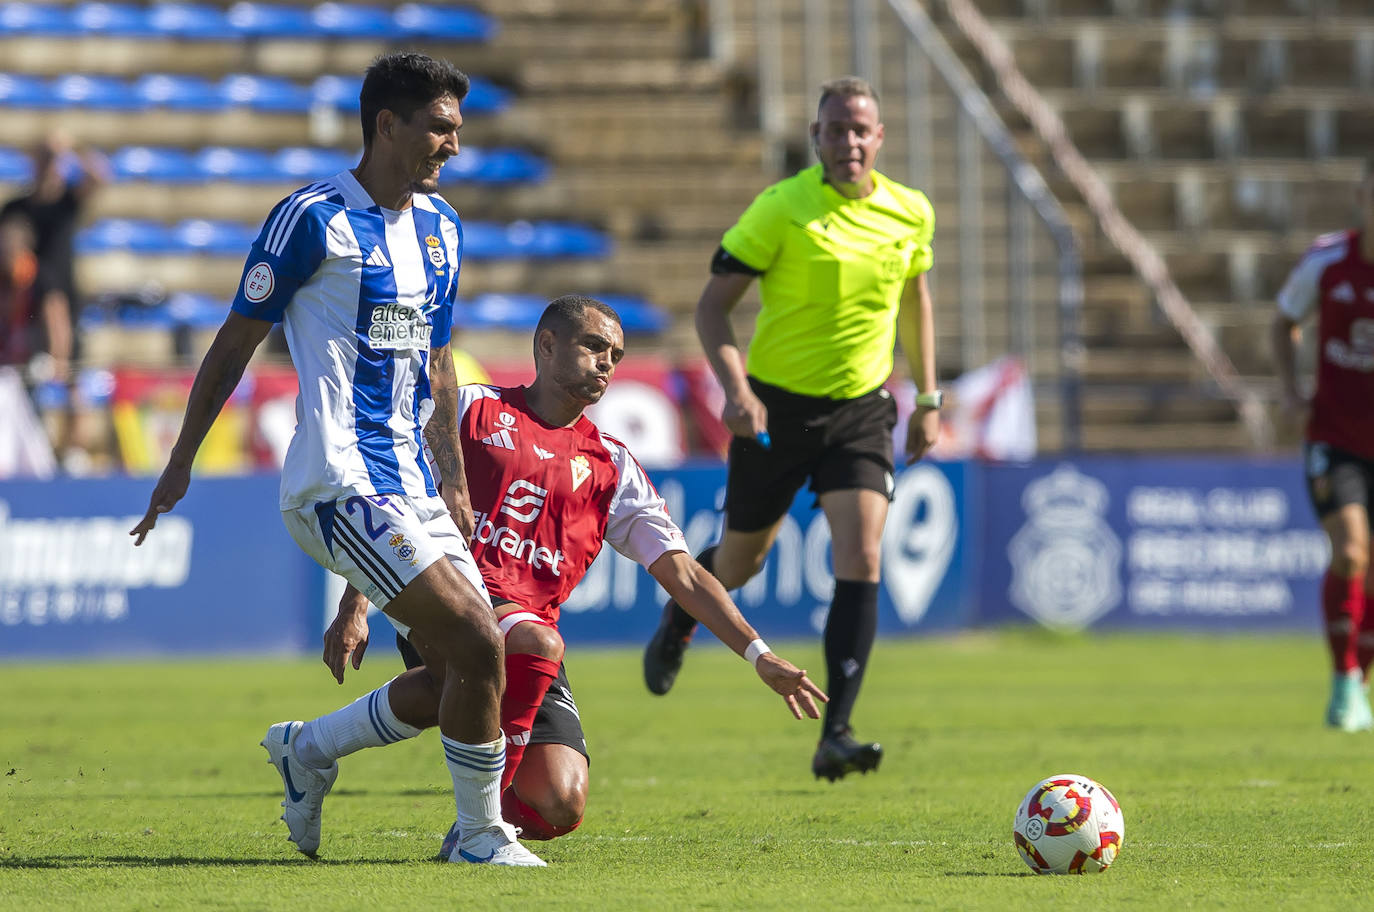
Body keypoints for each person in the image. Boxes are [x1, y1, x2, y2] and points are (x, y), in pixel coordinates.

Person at [130, 53, 545, 866]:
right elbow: (233, 344)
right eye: (440, 127)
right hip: (335, 481)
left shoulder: (443, 229)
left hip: (414, 483)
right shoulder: (311, 218)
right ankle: (480, 836)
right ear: (387, 125)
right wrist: (182, 459)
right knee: (478, 640)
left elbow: (436, 364)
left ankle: (309, 748)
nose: (454, 145)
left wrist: (454, 482)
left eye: (459, 128)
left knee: (458, 669)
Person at [288, 295, 826, 855]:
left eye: (615, 355)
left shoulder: (611, 464)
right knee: (518, 646)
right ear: (546, 345)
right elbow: (394, 502)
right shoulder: (468, 411)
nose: (606, 364)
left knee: (559, 802)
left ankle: (309, 748)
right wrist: (357, 602)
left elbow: (685, 576)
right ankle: (478, 830)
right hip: (450, 599)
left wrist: (759, 654)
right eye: (592, 346)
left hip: (527, 638)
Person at [641, 76, 941, 782]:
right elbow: (712, 310)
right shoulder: (781, 209)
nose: (849, 142)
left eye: (861, 130)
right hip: (774, 411)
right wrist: (736, 389)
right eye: (835, 130)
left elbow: (917, 297)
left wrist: (928, 398)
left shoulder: (911, 213)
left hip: (862, 410)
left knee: (863, 555)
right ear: (817, 138)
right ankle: (681, 617)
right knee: (741, 564)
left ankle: (835, 731)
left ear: (880, 138)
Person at [1273, 163, 1374, 732]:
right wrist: (1290, 391)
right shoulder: (1329, 261)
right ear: (1363, 198)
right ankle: (1343, 685)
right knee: (1352, 551)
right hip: (1336, 437)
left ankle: (1358, 682)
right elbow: (1283, 320)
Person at [1, 134, 107, 468]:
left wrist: (71, 149)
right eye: (43, 157)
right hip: (24, 301)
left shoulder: (65, 202)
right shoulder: (17, 207)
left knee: (71, 375)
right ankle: (34, 453)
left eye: (52, 158)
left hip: (63, 297)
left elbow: (100, 176)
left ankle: (74, 453)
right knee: (23, 381)